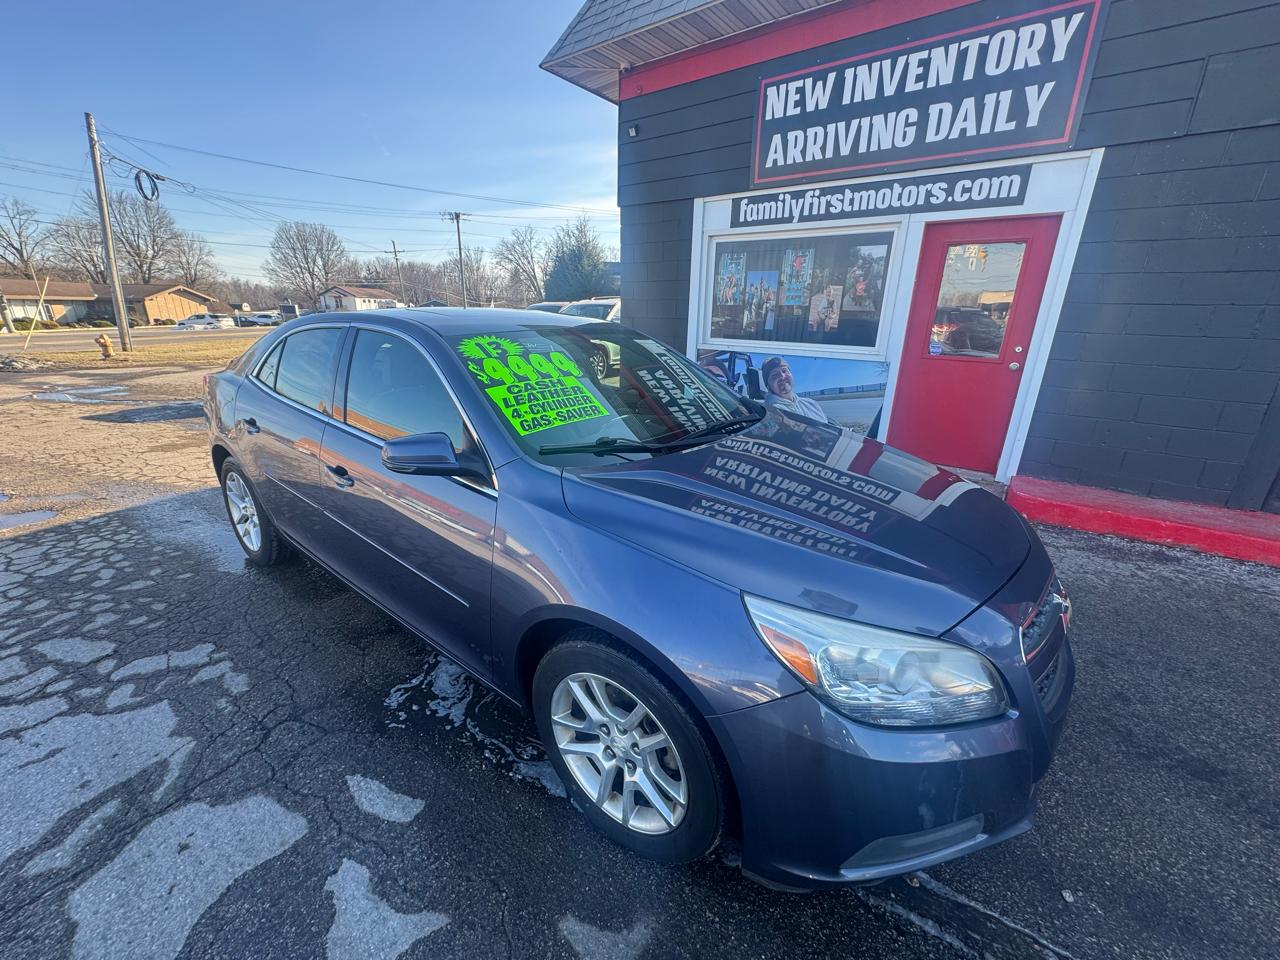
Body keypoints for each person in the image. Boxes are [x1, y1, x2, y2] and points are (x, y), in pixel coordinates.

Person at [760, 356, 828, 423]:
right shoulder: (765, 413)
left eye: (784, 371)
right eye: (775, 375)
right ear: (768, 385)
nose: (782, 376)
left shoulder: (812, 404)